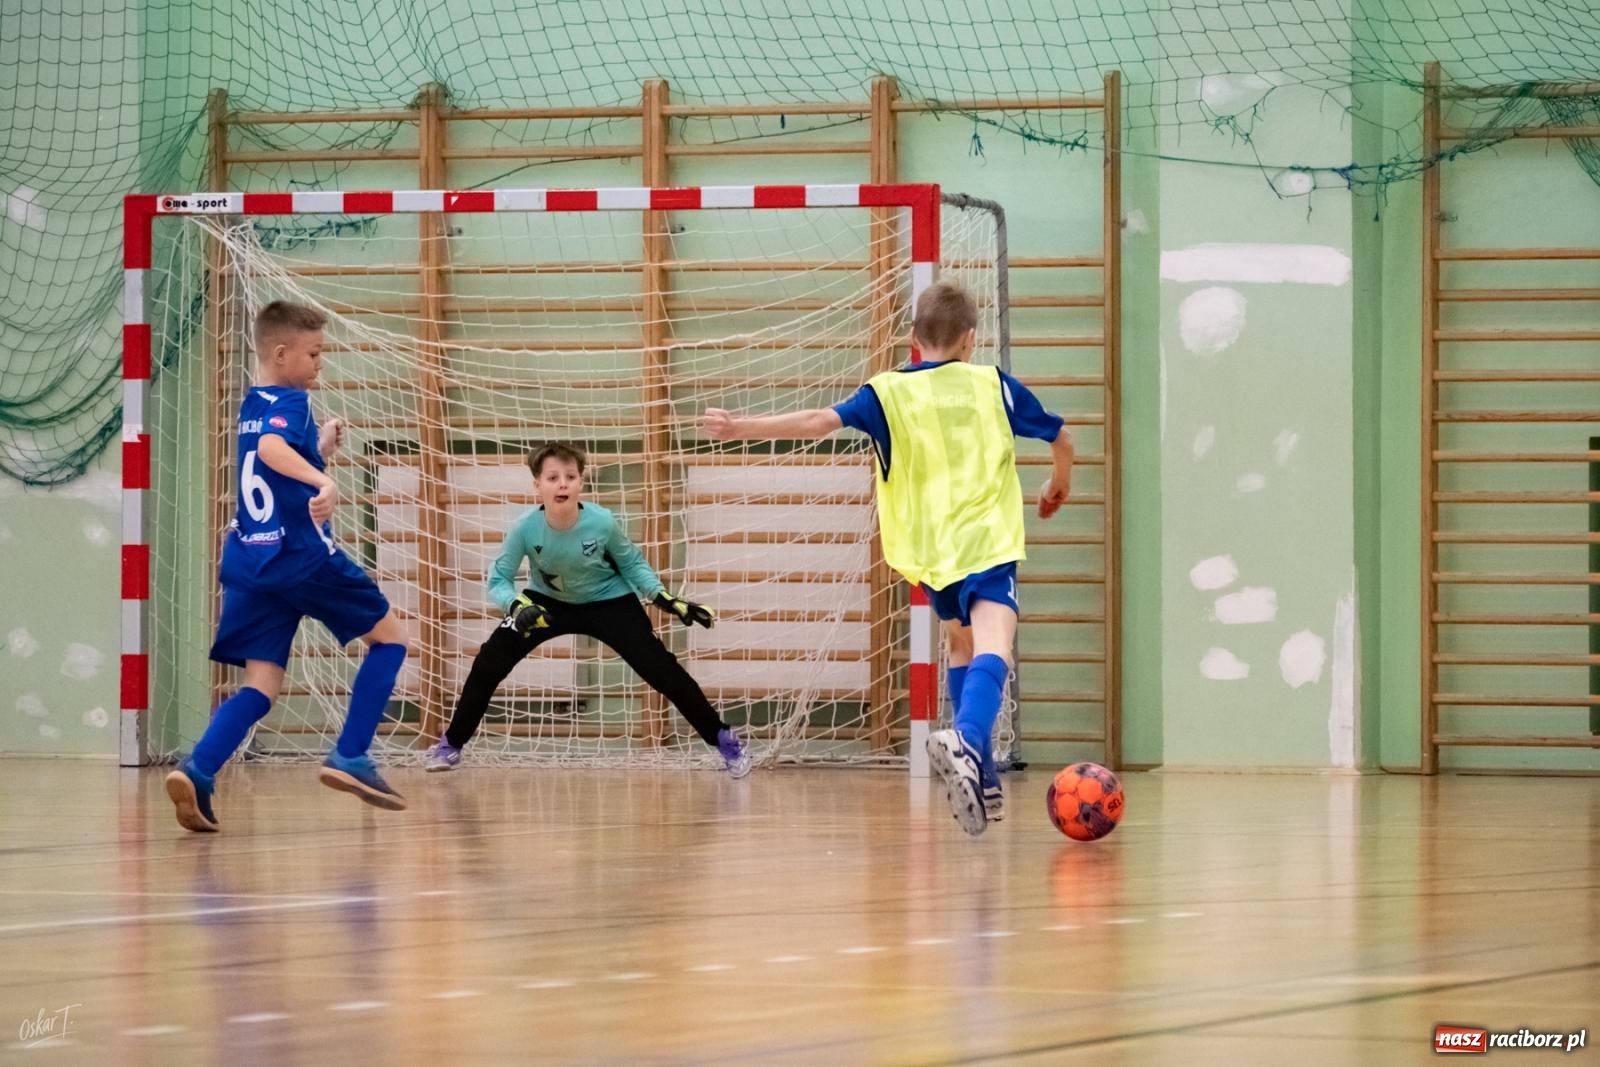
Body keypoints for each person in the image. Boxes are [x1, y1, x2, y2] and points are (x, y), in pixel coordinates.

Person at [701, 281, 1072, 835]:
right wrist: (1056, 484)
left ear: (912, 339)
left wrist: (741, 427)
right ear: (971, 340)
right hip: (986, 542)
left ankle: (984, 778)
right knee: (997, 644)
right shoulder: (993, 385)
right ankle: (970, 743)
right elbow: (1061, 438)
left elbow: (817, 423)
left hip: (927, 553)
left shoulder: (886, 391)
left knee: (959, 642)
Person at [164, 301, 409, 833]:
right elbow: (274, 449)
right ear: (281, 354)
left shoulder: (251, 404)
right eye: (315, 353)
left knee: (261, 682)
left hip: (250, 561)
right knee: (390, 640)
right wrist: (324, 482)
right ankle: (350, 755)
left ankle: (199, 771)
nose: (321, 364)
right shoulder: (292, 401)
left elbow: (268, 457)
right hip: (297, 557)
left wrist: (318, 453)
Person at [425, 442, 750, 777]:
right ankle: (451, 744)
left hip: (608, 601)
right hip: (546, 604)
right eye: (552, 477)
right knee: (488, 663)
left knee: (662, 670)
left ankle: (725, 740)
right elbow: (498, 579)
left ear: (581, 482)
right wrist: (516, 604)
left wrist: (664, 597)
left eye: (570, 476)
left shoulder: (603, 522)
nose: (562, 483)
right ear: (538, 485)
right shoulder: (524, 528)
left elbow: (632, 563)